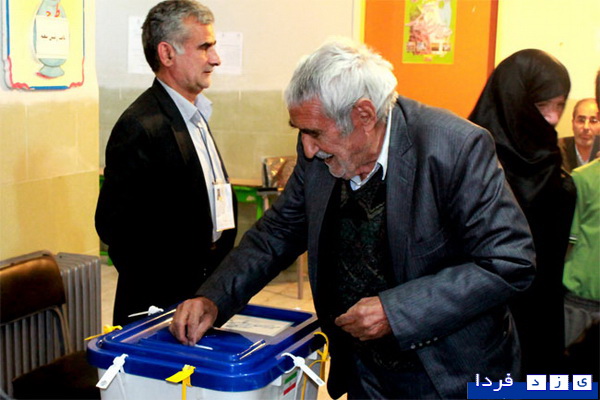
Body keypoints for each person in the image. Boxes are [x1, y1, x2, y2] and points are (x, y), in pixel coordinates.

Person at [170, 38, 535, 399]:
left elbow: (509, 260)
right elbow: (277, 232)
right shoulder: (320, 151)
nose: (307, 148)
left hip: (449, 374)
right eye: (301, 132)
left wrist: (396, 312)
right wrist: (214, 298)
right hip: (364, 373)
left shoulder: (454, 148)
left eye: (315, 133)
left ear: (364, 115)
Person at [95, 0, 237, 326]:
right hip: (163, 307)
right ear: (167, 54)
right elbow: (116, 228)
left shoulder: (195, 114)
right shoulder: (141, 125)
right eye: (204, 47)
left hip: (203, 293)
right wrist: (172, 298)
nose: (216, 59)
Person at [469, 49, 577, 375]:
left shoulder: (550, 161)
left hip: (540, 316)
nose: (553, 118)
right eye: (543, 105)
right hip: (486, 316)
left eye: (560, 105)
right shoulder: (471, 160)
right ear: (514, 101)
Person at [559, 98, 600, 173]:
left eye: (593, 121)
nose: (586, 127)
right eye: (581, 120)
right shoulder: (557, 149)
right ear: (573, 123)